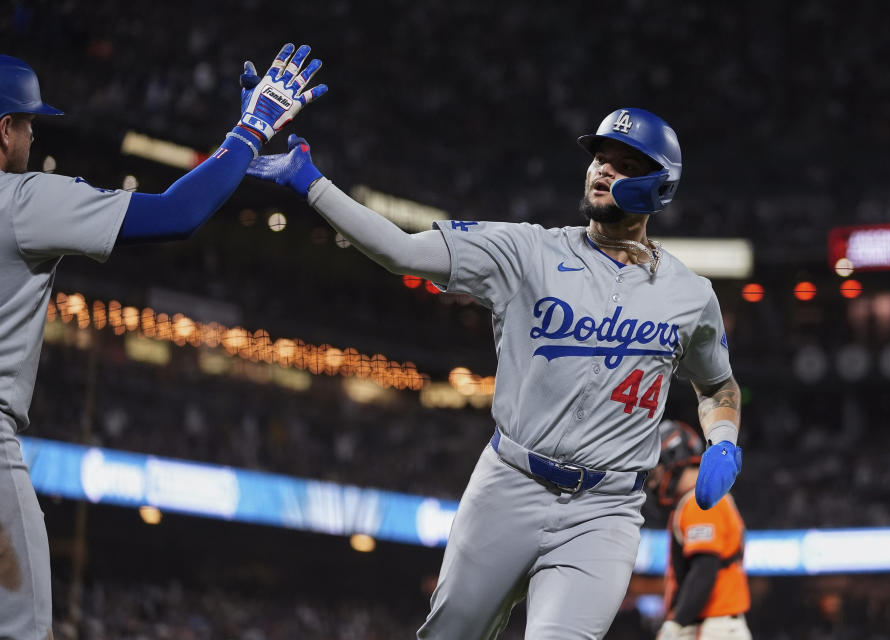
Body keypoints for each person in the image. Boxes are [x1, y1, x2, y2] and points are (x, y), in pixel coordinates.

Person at [246, 105, 744, 638]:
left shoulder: (690, 296)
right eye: (600, 157)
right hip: (509, 486)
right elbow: (401, 252)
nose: (603, 170)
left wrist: (722, 438)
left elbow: (717, 383)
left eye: (624, 164)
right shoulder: (527, 250)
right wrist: (311, 183)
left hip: (606, 510)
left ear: (660, 187)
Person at [0, 45, 326, 639]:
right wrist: (248, 133)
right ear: (4, 130)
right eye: (26, 123)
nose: (30, 137)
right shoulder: (20, 200)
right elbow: (177, 213)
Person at [647, 419, 751, 640]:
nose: (652, 482)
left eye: (655, 470)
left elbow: (704, 571)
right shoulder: (697, 500)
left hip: (712, 627)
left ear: (672, 460)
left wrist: (676, 625)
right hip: (713, 625)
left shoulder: (700, 501)